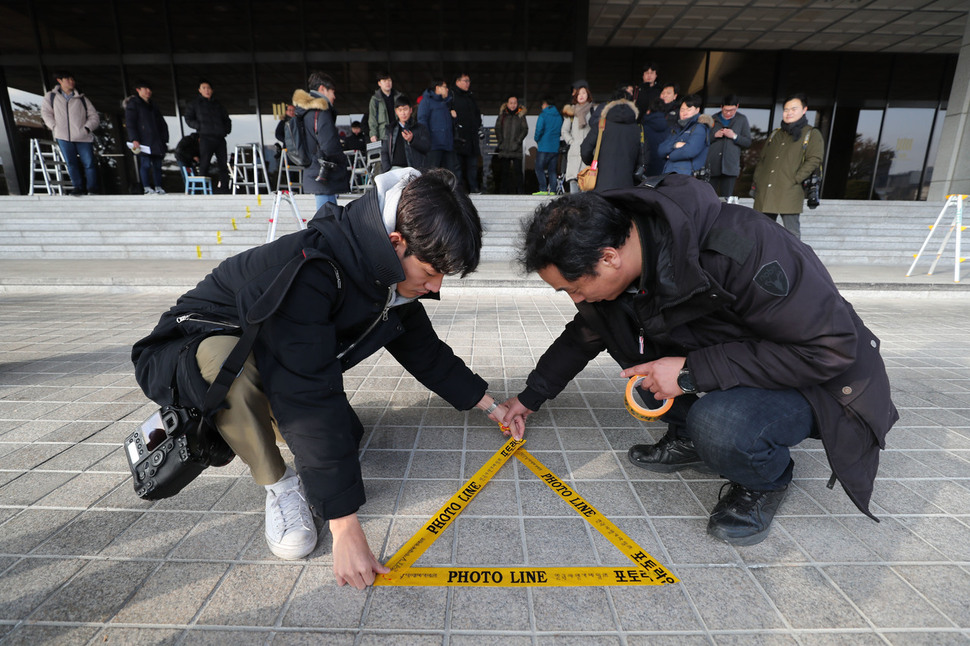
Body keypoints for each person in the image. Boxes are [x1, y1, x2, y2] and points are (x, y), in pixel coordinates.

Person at [132, 167, 512, 588]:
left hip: (267, 354)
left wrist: (490, 404)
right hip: (189, 350)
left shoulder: (383, 274)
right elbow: (307, 391)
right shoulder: (314, 269)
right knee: (235, 369)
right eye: (431, 270)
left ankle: (267, 426)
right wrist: (344, 525)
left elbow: (425, 351)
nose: (436, 285)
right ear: (395, 242)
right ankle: (278, 485)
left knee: (345, 437)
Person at [501, 175, 897, 546]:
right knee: (620, 329)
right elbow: (584, 333)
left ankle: (765, 481)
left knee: (721, 424)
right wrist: (530, 397)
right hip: (748, 361)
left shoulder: (745, 247)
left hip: (820, 380)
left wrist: (691, 372)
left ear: (608, 258)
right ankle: (689, 436)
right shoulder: (634, 251)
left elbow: (829, 349)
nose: (577, 299)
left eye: (573, 288)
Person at [752, 93, 824, 239]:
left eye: (793, 109)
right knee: (761, 231)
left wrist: (795, 178)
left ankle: (795, 262)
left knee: (792, 234)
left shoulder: (811, 134)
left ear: (804, 110)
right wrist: (758, 180)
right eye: (786, 109)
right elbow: (762, 160)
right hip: (766, 190)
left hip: (789, 190)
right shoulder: (776, 134)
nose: (789, 112)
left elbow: (814, 159)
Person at [291, 71, 350, 209]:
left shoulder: (305, 112)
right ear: (322, 89)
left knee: (326, 217)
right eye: (332, 92)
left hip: (313, 168)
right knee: (327, 219)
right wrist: (341, 160)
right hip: (325, 172)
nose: (334, 96)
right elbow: (329, 145)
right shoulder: (321, 111)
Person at [41, 71, 100, 196]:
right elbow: (46, 113)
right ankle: (78, 187)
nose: (71, 82)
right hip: (63, 136)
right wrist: (54, 127)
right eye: (68, 79)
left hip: (83, 136)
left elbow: (94, 116)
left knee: (89, 163)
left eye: (72, 79)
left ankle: (92, 189)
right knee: (71, 163)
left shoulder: (82, 98)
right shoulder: (51, 96)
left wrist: (87, 129)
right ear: (59, 81)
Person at [579, 89, 642, 192]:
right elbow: (643, 157)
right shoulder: (637, 129)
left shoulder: (601, 125)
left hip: (601, 184)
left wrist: (594, 162)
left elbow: (585, 149)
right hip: (627, 185)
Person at [184, 79, 232, 193]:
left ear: (212, 90)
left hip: (220, 138)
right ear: (199, 90)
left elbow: (227, 119)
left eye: (209, 88)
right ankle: (201, 190)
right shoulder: (195, 104)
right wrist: (200, 126)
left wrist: (225, 130)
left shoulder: (218, 104)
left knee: (223, 165)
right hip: (206, 137)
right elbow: (188, 118)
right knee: (204, 164)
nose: (207, 90)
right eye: (204, 88)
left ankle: (225, 188)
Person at [124, 79, 169, 195]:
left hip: (157, 141)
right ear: (138, 90)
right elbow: (130, 123)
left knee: (157, 165)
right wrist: (134, 139)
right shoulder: (133, 104)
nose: (148, 91)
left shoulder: (153, 105)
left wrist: (164, 139)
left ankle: (158, 186)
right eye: (145, 89)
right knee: (145, 164)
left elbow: (162, 123)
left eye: (149, 89)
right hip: (143, 141)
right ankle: (147, 187)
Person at [706, 94, 752, 199]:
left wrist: (734, 136)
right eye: (726, 110)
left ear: (737, 107)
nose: (728, 113)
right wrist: (714, 136)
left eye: (732, 110)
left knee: (726, 199)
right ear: (721, 107)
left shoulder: (742, 119)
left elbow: (748, 142)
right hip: (713, 165)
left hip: (730, 166)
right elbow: (703, 141)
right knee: (708, 197)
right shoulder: (713, 118)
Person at [657, 94, 712, 177]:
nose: (684, 113)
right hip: (669, 174)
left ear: (697, 110)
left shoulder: (699, 128)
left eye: (688, 109)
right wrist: (675, 145)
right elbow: (661, 150)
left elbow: (689, 151)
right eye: (682, 110)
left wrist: (670, 156)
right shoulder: (676, 128)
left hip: (686, 176)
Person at [380, 94, 430, 172]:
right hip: (394, 170)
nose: (403, 113)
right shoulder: (391, 129)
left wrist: (412, 140)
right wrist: (387, 170)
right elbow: (384, 151)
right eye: (400, 110)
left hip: (413, 170)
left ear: (410, 110)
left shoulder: (419, 128)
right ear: (396, 111)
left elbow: (426, 147)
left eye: (405, 109)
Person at [451, 72, 483, 193]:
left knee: (472, 166)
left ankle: (474, 187)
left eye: (469, 81)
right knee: (457, 166)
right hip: (458, 138)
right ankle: (459, 189)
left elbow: (477, 115)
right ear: (457, 81)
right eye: (465, 81)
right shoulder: (452, 95)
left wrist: (476, 125)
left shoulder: (470, 97)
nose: (467, 84)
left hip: (472, 138)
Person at [417, 78, 457, 172]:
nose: (447, 89)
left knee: (449, 173)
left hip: (447, 145)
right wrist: (427, 139)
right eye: (445, 87)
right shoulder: (426, 101)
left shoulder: (446, 102)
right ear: (438, 88)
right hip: (434, 146)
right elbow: (422, 121)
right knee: (433, 173)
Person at [561, 81, 593, 194]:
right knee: (573, 180)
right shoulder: (571, 111)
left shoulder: (593, 110)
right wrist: (571, 141)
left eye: (584, 93)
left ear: (588, 95)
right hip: (575, 149)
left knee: (586, 181)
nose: (581, 95)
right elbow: (564, 130)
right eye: (579, 93)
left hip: (589, 150)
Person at [493, 95, 528, 194]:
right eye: (511, 103)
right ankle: (503, 193)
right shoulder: (502, 115)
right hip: (504, 148)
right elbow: (497, 128)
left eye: (515, 103)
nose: (513, 105)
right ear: (507, 104)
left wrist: (518, 141)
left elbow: (525, 129)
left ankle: (521, 192)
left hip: (516, 148)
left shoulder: (521, 116)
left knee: (518, 172)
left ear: (517, 104)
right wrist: (500, 141)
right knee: (504, 172)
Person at [533, 96, 563, 195]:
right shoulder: (559, 116)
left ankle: (543, 189)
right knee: (552, 170)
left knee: (539, 168)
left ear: (545, 104)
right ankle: (553, 191)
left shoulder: (543, 115)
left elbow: (539, 129)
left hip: (543, 146)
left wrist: (537, 139)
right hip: (554, 147)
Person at [368, 72, 401, 144]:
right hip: (383, 134)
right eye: (384, 81)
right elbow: (372, 118)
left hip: (398, 132)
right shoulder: (375, 99)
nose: (387, 83)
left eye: (389, 80)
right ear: (379, 83)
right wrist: (373, 134)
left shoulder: (398, 97)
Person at [641, 98, 668, 177]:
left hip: (645, 169)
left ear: (649, 110)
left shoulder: (643, 128)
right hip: (662, 170)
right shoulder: (670, 129)